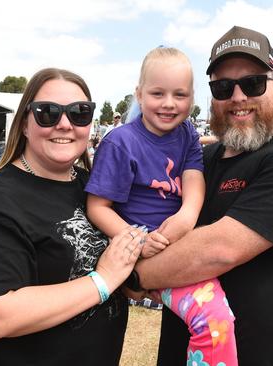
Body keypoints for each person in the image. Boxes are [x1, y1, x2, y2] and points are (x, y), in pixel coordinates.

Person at [130, 26, 273, 365]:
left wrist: (131, 274)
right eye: (224, 86)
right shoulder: (199, 163)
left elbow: (219, 250)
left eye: (253, 83)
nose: (238, 97)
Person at [0, 68, 144, 365]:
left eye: (80, 112)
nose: (65, 124)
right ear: (25, 124)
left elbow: (124, 264)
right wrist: (102, 280)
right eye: (47, 113)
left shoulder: (93, 188)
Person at [86, 47, 237, 365]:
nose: (169, 103)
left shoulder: (186, 134)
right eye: (158, 93)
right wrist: (136, 240)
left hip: (181, 245)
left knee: (218, 319)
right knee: (214, 322)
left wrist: (186, 216)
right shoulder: (120, 142)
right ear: (139, 95)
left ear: (192, 97)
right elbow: (98, 207)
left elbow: (193, 180)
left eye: (179, 94)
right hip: (145, 252)